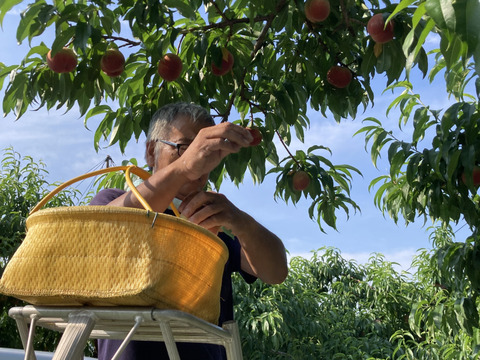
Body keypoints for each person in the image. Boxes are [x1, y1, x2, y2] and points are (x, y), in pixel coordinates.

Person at [90, 102, 288, 359]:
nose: (199, 160)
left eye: (207, 152)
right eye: (185, 148)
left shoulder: (211, 227)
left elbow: (276, 272)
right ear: (151, 152)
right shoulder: (112, 200)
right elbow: (100, 231)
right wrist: (183, 169)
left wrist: (240, 221)